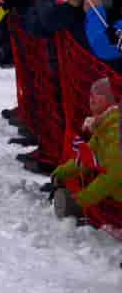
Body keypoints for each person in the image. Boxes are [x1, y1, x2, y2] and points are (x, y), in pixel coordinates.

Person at [50, 78, 122, 222]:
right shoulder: (104, 126)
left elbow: (113, 175)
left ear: (111, 99)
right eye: (91, 93)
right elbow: (85, 157)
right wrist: (61, 173)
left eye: (99, 93)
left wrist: (81, 201)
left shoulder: (114, 130)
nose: (92, 97)